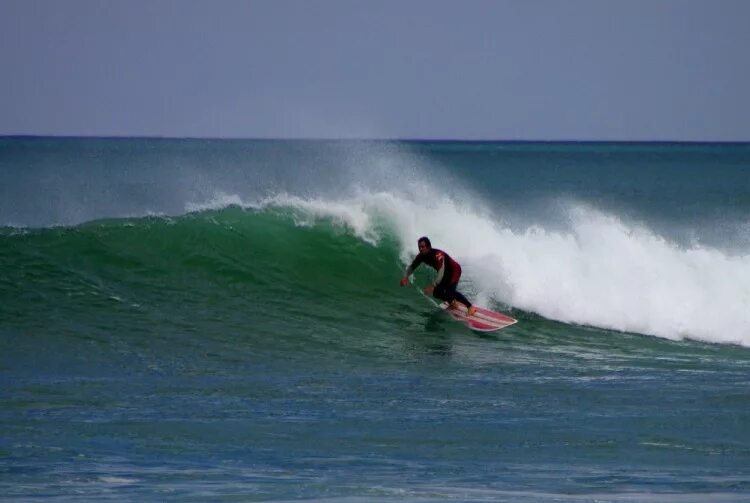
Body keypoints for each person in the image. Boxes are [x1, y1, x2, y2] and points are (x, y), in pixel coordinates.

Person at [400, 236, 477, 316]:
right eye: (419, 247)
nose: (421, 249)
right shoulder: (421, 256)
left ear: (429, 247)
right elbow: (412, 266)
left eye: (423, 247)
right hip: (445, 274)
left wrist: (433, 285)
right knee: (437, 293)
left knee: (450, 292)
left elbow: (441, 271)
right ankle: (453, 303)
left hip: (454, 271)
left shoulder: (438, 254)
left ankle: (470, 307)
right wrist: (405, 277)